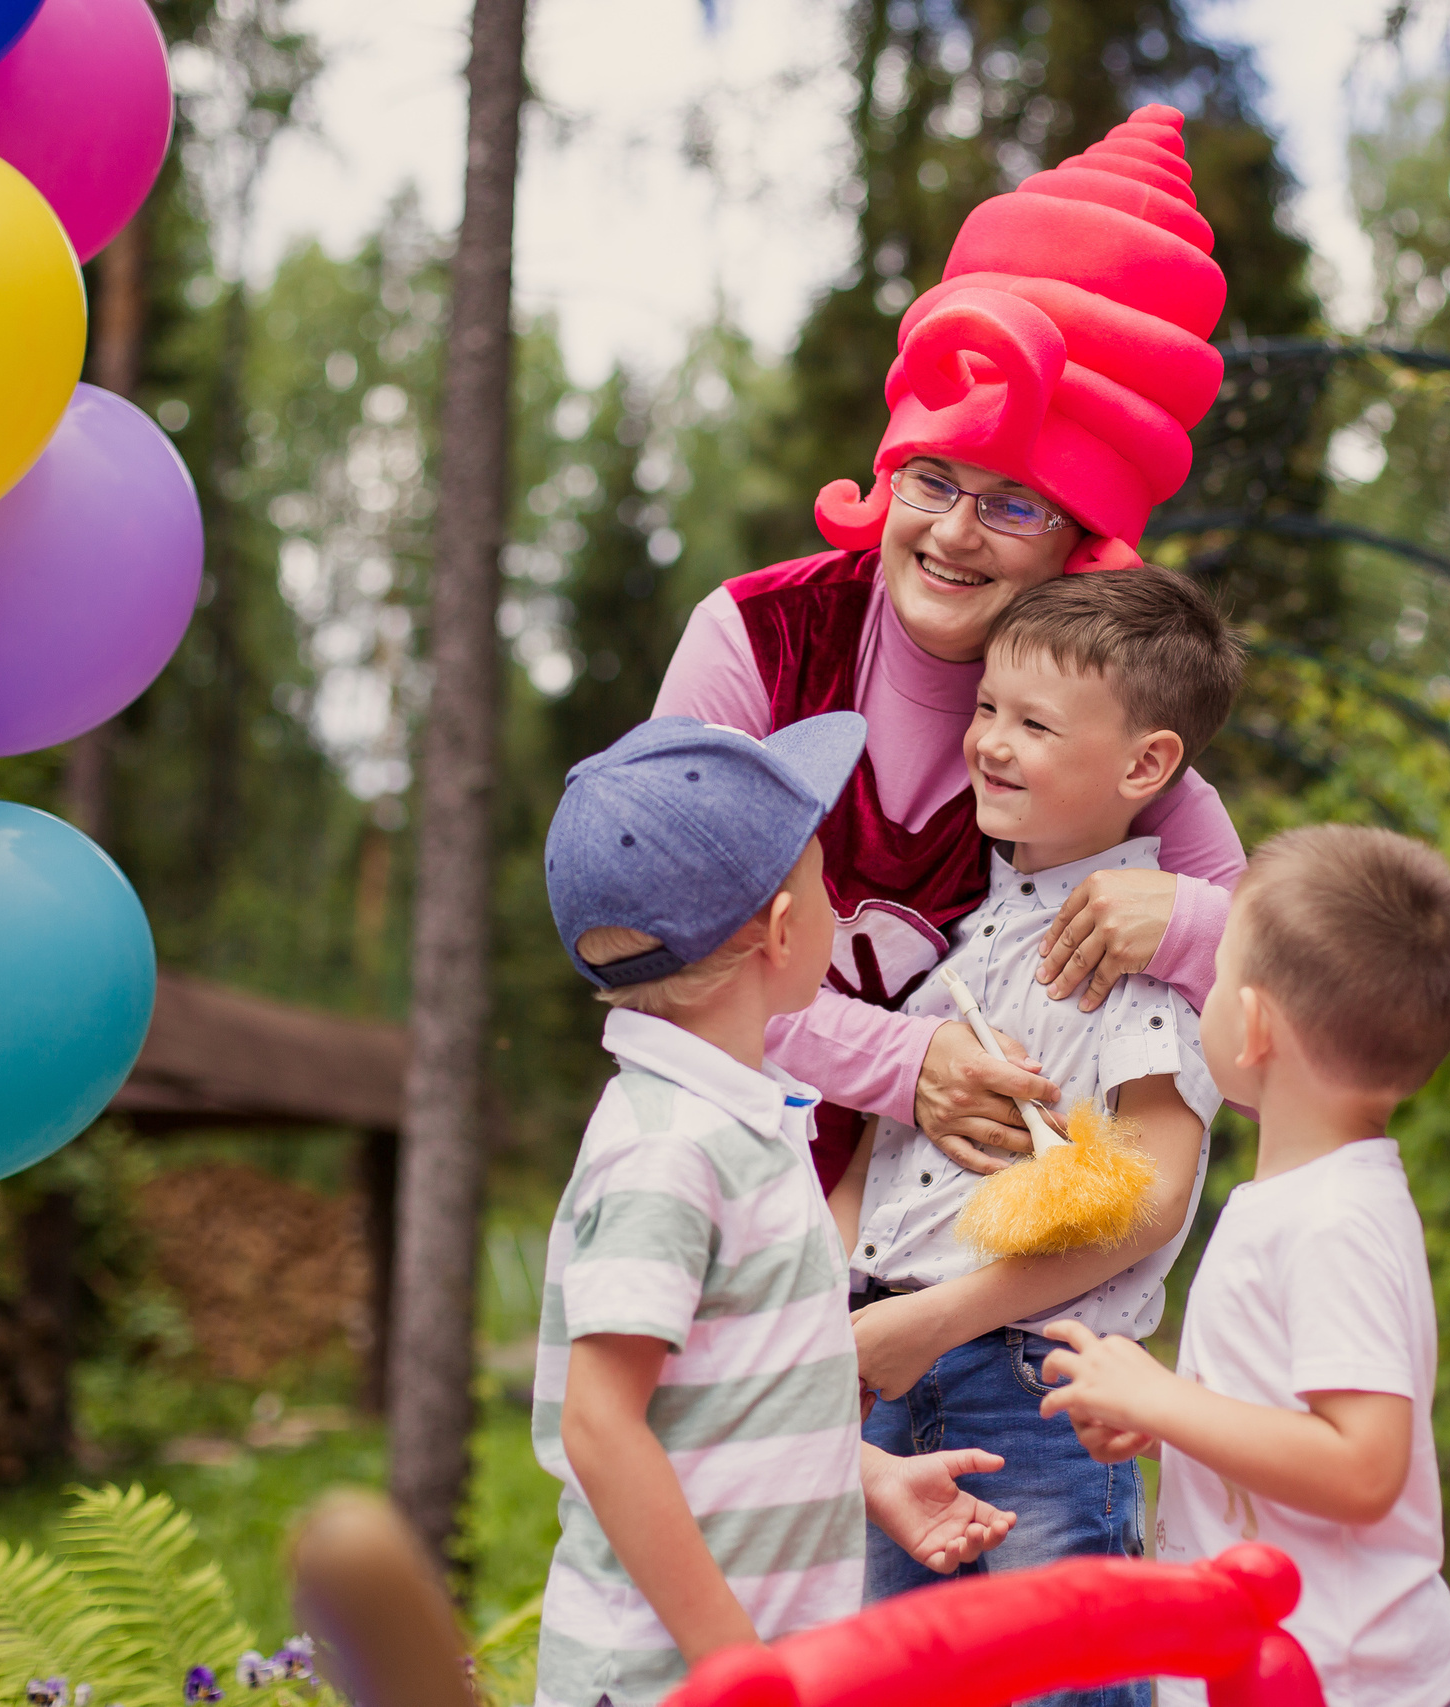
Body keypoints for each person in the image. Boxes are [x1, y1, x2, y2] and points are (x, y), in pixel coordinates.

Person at [654, 103, 1246, 1195]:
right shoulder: (754, 637)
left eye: (1015, 504)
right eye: (932, 479)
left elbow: (1281, 1029)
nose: (955, 531)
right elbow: (658, 937)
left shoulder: (1103, 725)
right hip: (703, 1209)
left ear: (1083, 539)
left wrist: (1193, 924)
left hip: (948, 1307)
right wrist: (902, 1061)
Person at [531, 713, 1021, 1707]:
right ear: (785, 932)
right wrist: (736, 1664)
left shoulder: (741, 1115)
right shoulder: (667, 1149)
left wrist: (859, 1477)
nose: (837, 905)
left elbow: (710, 1401)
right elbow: (599, 1426)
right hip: (667, 1680)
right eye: (821, 880)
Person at [828, 569, 1245, 1707]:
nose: (990, 744)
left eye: (1034, 723)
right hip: (890, 1369)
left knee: (1050, 1685)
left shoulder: (1137, 948)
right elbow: (881, 1148)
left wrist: (934, 1321)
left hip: (1035, 1392)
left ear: (1146, 766)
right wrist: (837, 1302)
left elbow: (1152, 1193)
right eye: (984, 711)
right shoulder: (963, 931)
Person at [1034, 826, 1450, 1707]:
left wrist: (1166, 1401)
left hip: (1334, 1676)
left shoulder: (1335, 1223)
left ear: (1251, 1027)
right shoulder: (1312, 1201)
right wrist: (1167, 1419)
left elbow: (1363, 1467)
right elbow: (1282, 1414)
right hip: (1270, 1665)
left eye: (1217, 975)